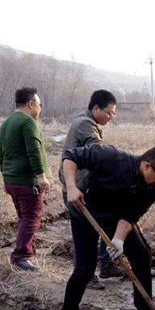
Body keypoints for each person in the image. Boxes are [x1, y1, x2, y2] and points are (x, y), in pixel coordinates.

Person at [60, 143, 155, 310]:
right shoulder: (111, 157)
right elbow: (70, 156)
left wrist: (118, 240)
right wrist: (71, 187)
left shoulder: (151, 188)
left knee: (141, 255)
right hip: (85, 210)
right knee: (85, 268)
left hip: (114, 217)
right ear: (147, 166)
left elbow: (131, 215)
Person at [58, 89, 122, 280]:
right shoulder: (85, 124)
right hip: (77, 189)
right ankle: (85, 275)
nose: (111, 117)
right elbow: (99, 150)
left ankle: (106, 264)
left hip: (83, 186)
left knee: (108, 221)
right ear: (96, 108)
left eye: (113, 114)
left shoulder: (87, 121)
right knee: (83, 234)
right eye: (108, 113)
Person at [0, 87, 50, 271]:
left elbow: (1, 154)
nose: (40, 108)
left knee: (24, 216)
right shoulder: (28, 122)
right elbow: (34, 150)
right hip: (26, 180)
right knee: (31, 216)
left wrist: (6, 176)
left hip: (11, 179)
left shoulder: (6, 124)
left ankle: (26, 249)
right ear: (31, 104)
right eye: (39, 104)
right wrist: (41, 176)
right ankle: (21, 256)